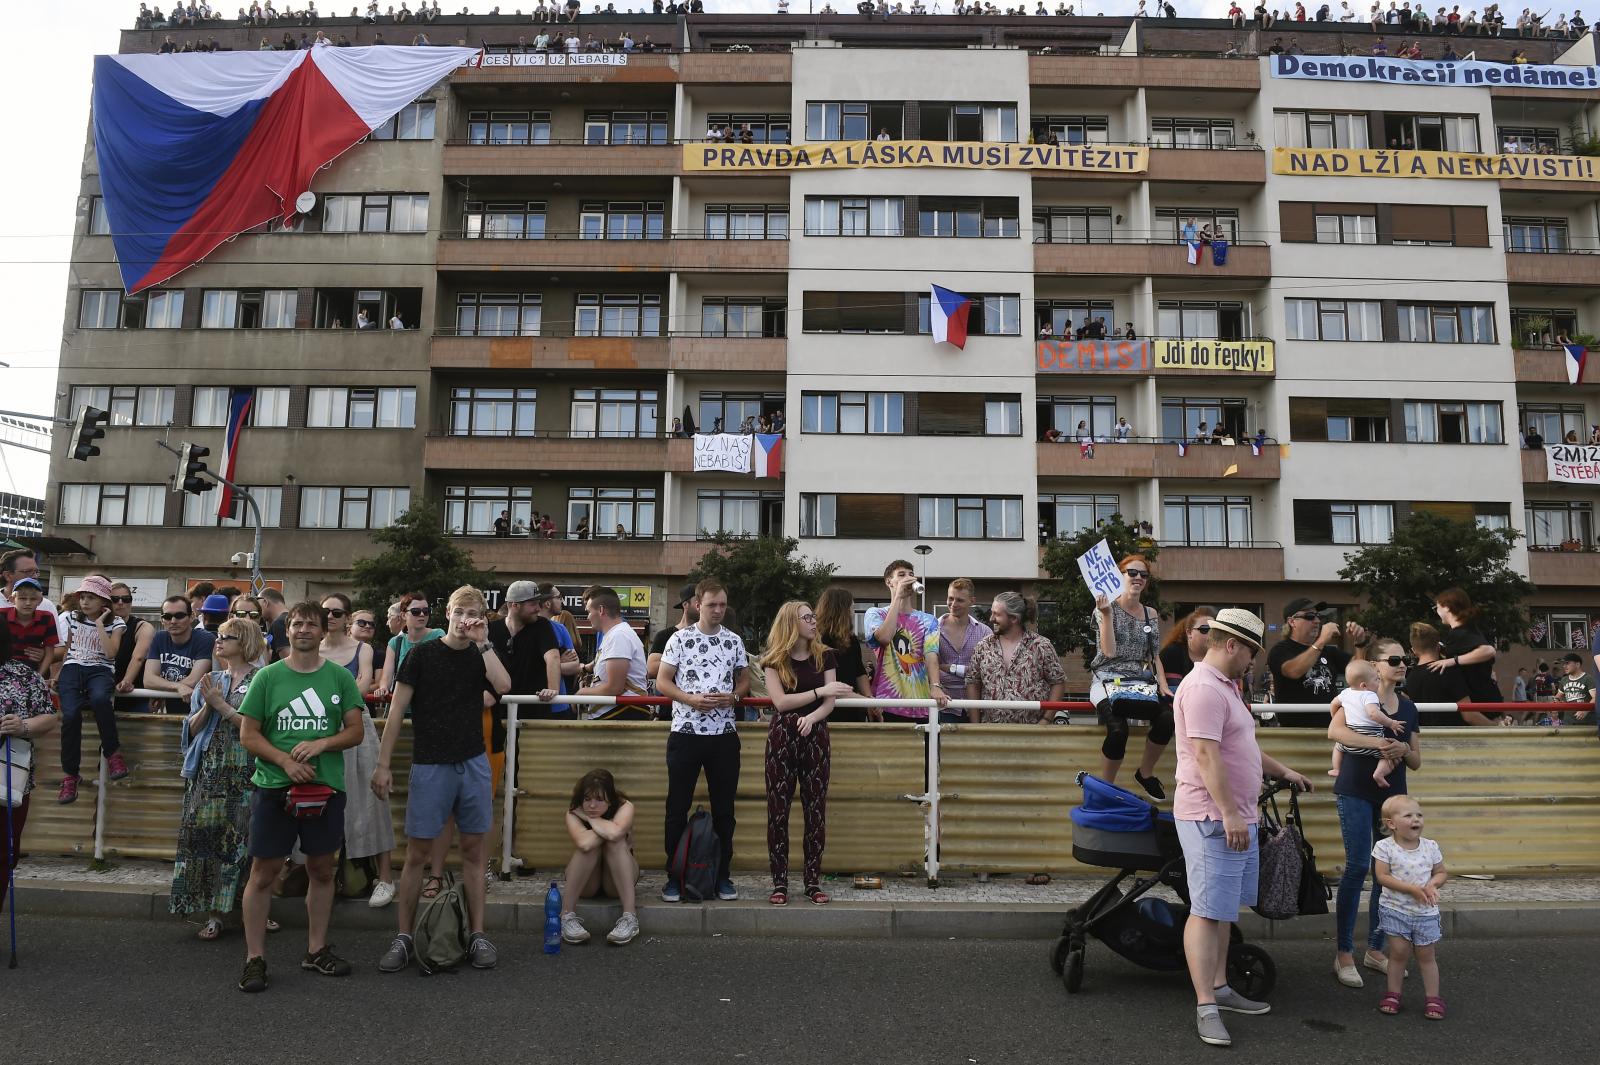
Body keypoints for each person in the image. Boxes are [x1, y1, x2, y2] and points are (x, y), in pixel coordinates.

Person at [1171, 608, 1314, 1047]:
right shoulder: (1202, 689)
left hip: (1233, 815)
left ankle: (1220, 988)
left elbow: (1244, 746)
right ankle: (1205, 1006)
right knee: (1207, 909)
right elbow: (1206, 756)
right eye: (1250, 651)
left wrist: (1284, 771)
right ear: (1231, 644)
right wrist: (1230, 813)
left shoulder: (1225, 687)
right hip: (1213, 817)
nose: (1252, 661)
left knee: (1222, 910)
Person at [373, 585, 510, 973]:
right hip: (431, 763)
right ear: (446, 612)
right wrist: (383, 765)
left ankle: (478, 934)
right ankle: (403, 936)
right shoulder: (421, 653)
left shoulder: (480, 655)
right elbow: (397, 710)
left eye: (475, 612)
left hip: (472, 762)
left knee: (473, 852)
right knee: (416, 854)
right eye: (460, 610)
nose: (467, 618)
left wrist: (484, 644)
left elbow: (503, 687)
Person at [235, 600, 367, 992]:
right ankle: (254, 958)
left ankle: (316, 949)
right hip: (274, 787)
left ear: (324, 631)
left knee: (322, 870)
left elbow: (355, 731)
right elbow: (249, 734)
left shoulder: (339, 679)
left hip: (326, 789)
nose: (304, 630)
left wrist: (323, 743)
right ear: (287, 631)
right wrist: (284, 761)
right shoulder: (268, 678)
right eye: (297, 624)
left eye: (312, 624)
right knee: (263, 874)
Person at [1327, 638, 1421, 988]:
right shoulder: (1356, 694)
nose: (1402, 664)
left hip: (1393, 796)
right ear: (1375, 665)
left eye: (1405, 658)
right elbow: (1333, 731)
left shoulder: (1409, 707)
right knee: (1357, 867)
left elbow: (1416, 760)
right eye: (1393, 659)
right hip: (1353, 787)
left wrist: (1402, 749)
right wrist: (1380, 743)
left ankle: (1376, 949)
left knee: (1387, 870)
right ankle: (1344, 953)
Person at [170, 617, 264, 940]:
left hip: (246, 770)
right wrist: (209, 708)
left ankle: (257, 911)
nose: (219, 641)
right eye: (219, 636)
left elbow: (257, 729)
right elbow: (190, 731)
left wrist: (222, 705)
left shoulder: (261, 679)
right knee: (207, 840)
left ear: (246, 642)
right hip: (209, 770)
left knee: (246, 843)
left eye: (228, 637)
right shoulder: (210, 679)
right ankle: (213, 914)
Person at [656, 579, 749, 903]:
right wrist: (689, 699)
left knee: (725, 810)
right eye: (712, 605)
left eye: (723, 604)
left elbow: (745, 679)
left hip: (723, 736)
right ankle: (674, 877)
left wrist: (734, 697)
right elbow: (662, 681)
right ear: (697, 604)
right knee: (676, 808)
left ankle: (722, 876)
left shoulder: (734, 640)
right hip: (685, 733)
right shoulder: (679, 639)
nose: (719, 610)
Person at [760, 601, 852, 906]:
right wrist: (818, 694)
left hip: (815, 734)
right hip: (782, 735)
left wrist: (813, 717)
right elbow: (780, 702)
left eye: (813, 616)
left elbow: (832, 699)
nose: (814, 622)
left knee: (815, 811)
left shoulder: (824, 655)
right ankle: (780, 882)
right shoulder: (774, 659)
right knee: (778, 812)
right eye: (807, 617)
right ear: (791, 623)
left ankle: (812, 881)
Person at [318, 593, 395, 908]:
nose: (331, 617)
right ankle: (321, 877)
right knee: (316, 798)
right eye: (326, 611)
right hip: (318, 728)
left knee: (371, 800)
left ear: (346, 618)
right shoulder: (312, 648)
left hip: (355, 724)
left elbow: (364, 683)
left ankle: (386, 878)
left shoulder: (362, 649)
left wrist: (328, 698)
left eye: (337, 612)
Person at [1089, 555, 1173, 798]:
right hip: (1106, 678)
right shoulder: (1105, 607)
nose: (1138, 578)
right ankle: (1106, 788)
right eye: (1132, 573)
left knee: (1167, 719)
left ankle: (1145, 773)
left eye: (1143, 574)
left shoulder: (1151, 614)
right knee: (1117, 731)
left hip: (1138, 680)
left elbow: (1154, 655)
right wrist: (1105, 615)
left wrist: (1164, 686)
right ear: (1120, 575)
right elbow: (1109, 652)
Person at [1372, 795, 1447, 1019]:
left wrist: (1432, 884)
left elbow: (1441, 872)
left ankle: (1433, 998)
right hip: (1395, 909)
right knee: (1398, 953)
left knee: (1426, 955)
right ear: (1391, 823)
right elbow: (1382, 876)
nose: (1416, 819)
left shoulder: (1430, 847)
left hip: (1425, 912)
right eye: (1408, 815)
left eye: (1419, 815)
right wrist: (1412, 889)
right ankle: (1393, 994)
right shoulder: (1384, 847)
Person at [55, 576, 127, 805]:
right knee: (70, 715)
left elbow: (110, 654)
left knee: (99, 700)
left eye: (91, 598)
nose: (85, 602)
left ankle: (112, 752)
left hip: (100, 669)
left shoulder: (116, 623)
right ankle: (70, 775)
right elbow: (67, 650)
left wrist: (99, 625)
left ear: (104, 601)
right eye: (83, 597)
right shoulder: (69, 617)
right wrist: (57, 675)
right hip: (73, 669)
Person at [0, 623, 58, 875]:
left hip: (8, 780)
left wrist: (22, 725)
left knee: (4, 854)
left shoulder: (23, 675)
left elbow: (49, 717)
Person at [558, 769, 639, 945]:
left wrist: (591, 820)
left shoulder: (625, 806)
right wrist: (607, 830)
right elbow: (584, 843)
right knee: (590, 847)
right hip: (588, 883)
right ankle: (566, 916)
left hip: (615, 883)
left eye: (599, 799)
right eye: (587, 799)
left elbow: (616, 834)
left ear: (611, 800)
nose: (592, 805)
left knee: (615, 842)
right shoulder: (573, 812)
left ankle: (630, 918)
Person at [865, 560, 949, 724]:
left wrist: (936, 686)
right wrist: (897, 598)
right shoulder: (875, 614)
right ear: (889, 582)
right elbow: (884, 638)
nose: (908, 578)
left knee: (929, 749)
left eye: (911, 574)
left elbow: (931, 655)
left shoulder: (928, 620)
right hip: (887, 703)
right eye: (901, 575)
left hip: (922, 703)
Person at [557, 586, 649, 720]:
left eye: (588, 611)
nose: (588, 616)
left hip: (621, 715)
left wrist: (582, 693)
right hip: (617, 714)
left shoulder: (619, 636)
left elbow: (614, 687)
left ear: (601, 610)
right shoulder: (616, 635)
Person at [1267, 599, 1369, 714]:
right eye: (1310, 616)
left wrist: (1360, 643)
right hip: (1295, 729)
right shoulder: (1280, 650)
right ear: (1292, 622)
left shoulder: (1329, 651)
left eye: (1318, 616)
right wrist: (1322, 640)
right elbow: (1293, 671)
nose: (1317, 621)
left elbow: (1360, 672)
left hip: (1331, 727)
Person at [488, 581, 562, 725]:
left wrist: (553, 689)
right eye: (533, 604)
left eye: (538, 603)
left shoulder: (542, 625)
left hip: (533, 712)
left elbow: (553, 656)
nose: (538, 608)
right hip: (499, 711)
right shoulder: (492, 629)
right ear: (514, 605)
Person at [1328, 659, 1406, 787]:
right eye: (1376, 679)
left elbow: (1333, 704)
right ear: (1364, 685)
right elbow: (1373, 714)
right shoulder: (1369, 695)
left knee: (1338, 747)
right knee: (1390, 757)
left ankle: (1336, 768)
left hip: (1350, 739)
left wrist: (1334, 716)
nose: (1379, 681)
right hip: (1371, 735)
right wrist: (1391, 723)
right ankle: (1379, 774)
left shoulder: (1345, 693)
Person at [144, 595, 216, 716]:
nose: (173, 621)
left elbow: (194, 680)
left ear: (192, 617)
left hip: (199, 711)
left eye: (179, 616)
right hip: (173, 707)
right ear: (162, 620)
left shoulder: (205, 639)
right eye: (167, 616)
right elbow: (148, 680)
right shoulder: (159, 638)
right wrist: (176, 687)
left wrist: (162, 689)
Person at [1427, 588, 1500, 704]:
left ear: (1446, 608)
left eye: (1437, 608)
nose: (1436, 612)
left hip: (1479, 701)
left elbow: (1489, 650)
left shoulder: (1460, 632)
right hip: (1484, 698)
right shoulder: (1468, 629)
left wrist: (1453, 661)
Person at [1403, 622, 1478, 725]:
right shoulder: (1448, 671)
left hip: (1424, 737)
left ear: (1414, 650)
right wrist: (1496, 726)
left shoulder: (1410, 677)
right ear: (1438, 646)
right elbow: (1469, 715)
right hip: (1453, 738)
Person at [937, 579, 989, 724]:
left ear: (972, 601)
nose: (953, 604)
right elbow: (926, 667)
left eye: (959, 600)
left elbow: (987, 670)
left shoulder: (984, 632)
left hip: (977, 704)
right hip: (943, 705)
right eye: (950, 598)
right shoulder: (933, 629)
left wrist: (951, 668)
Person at [816, 586, 872, 720]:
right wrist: (867, 701)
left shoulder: (852, 639)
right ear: (841, 610)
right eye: (851, 608)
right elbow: (828, 684)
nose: (853, 613)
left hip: (852, 705)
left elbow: (860, 671)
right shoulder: (819, 639)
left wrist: (869, 699)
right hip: (826, 709)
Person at [374, 591, 442, 698]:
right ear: (403, 615)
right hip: (402, 707)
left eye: (426, 611)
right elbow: (387, 676)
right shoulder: (395, 642)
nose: (422, 614)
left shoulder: (438, 635)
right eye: (415, 611)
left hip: (431, 705)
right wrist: (383, 688)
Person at [2, 577, 58, 674]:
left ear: (40, 601)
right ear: (12, 599)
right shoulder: (2, 616)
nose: (28, 603)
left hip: (32, 666)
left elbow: (50, 652)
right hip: (5, 665)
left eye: (33, 599)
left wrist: (39, 676)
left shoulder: (47, 617)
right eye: (22, 598)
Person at [648, 583, 698, 691]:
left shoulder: (711, 636)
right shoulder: (665, 635)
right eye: (698, 600)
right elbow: (651, 669)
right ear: (685, 604)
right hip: (670, 703)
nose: (702, 605)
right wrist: (689, 661)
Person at [1160, 607, 1216, 690]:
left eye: (1214, 630)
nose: (1211, 634)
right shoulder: (1171, 654)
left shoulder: (1221, 656)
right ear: (1189, 633)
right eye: (1205, 629)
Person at [1555, 652, 1594, 724]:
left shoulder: (1588, 679)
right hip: (1568, 722)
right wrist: (1556, 700)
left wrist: (1585, 711)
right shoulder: (1564, 680)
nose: (1564, 666)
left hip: (1586, 723)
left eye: (1567, 663)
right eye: (1563, 664)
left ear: (1577, 664)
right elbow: (1558, 696)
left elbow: (1596, 697)